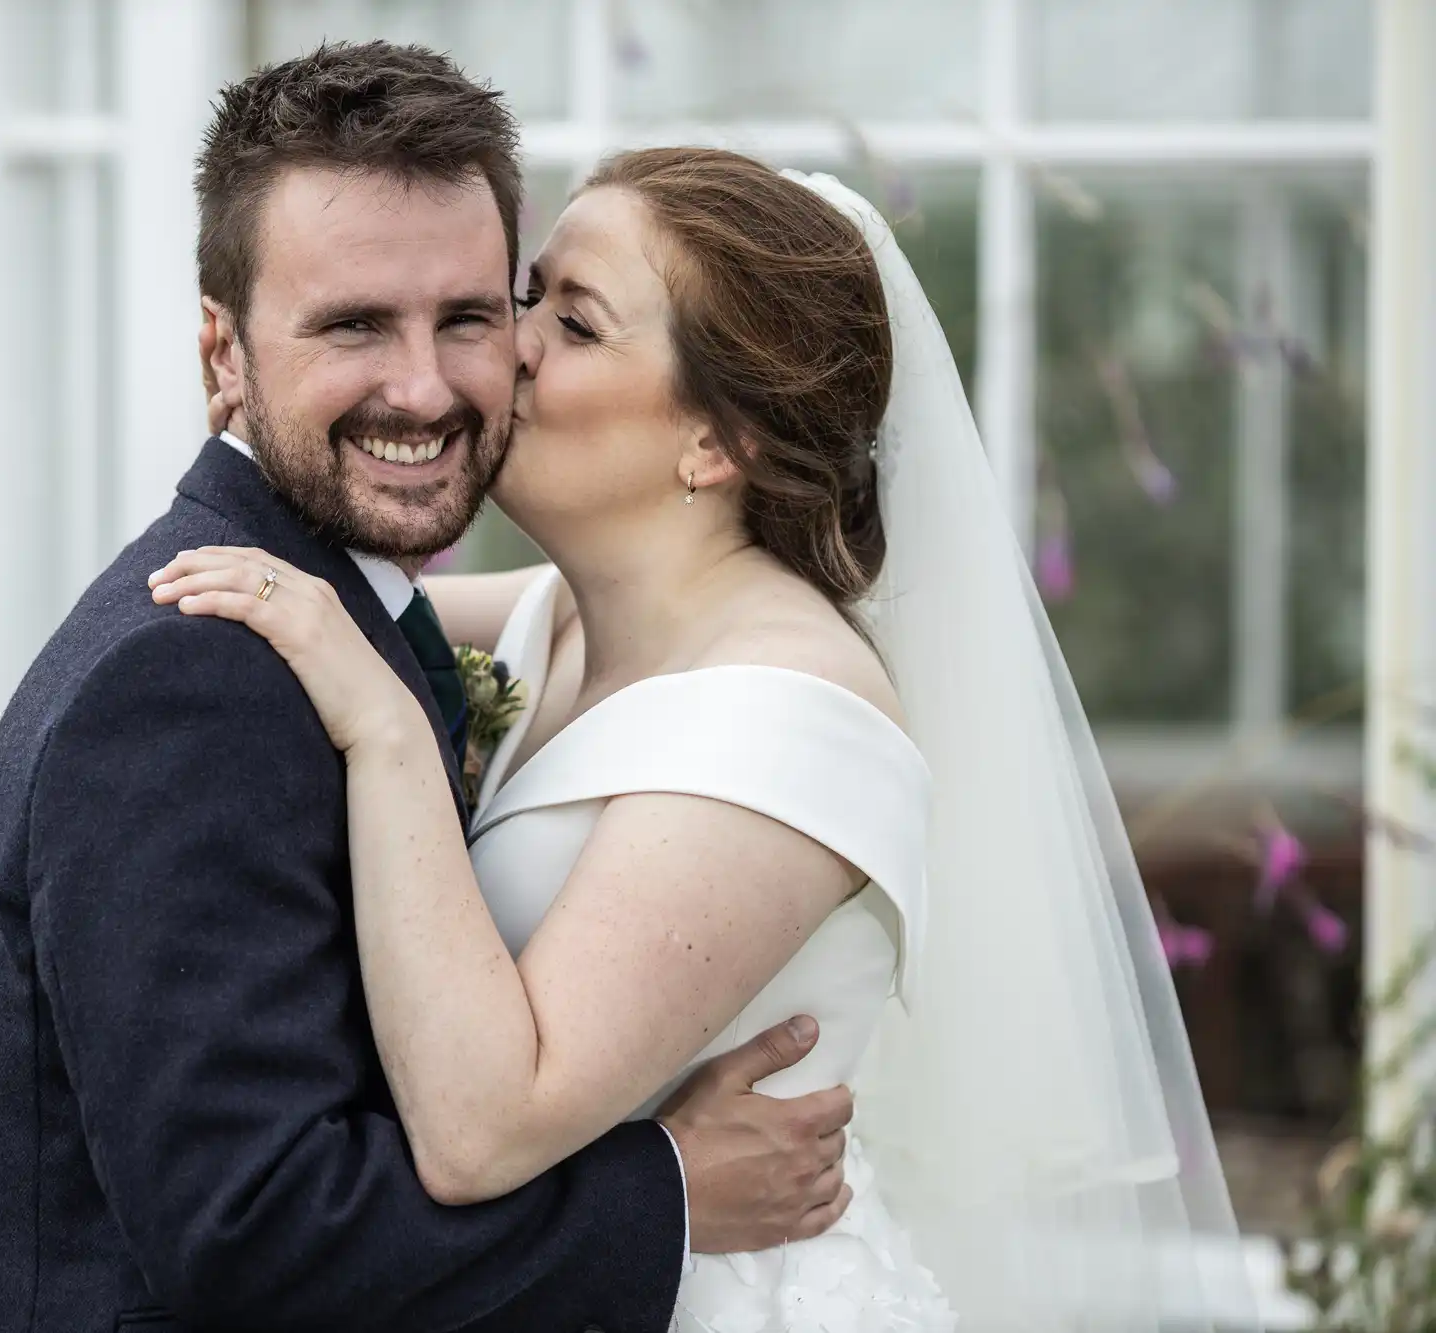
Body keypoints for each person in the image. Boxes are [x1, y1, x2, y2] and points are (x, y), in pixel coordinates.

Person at [160, 144, 1261, 1329]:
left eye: (574, 325)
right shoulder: (557, 616)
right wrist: (265, 393)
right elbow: (304, 593)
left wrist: (382, 727)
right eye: (531, 295)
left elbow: (482, 1131)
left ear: (716, 441)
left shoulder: (788, 722)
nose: (507, 345)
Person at [0, 44, 854, 1333]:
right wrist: (666, 1192)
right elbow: (254, 1231)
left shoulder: (363, 615)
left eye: (472, 318)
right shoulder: (194, 680)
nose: (423, 389)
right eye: (354, 324)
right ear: (222, 352)